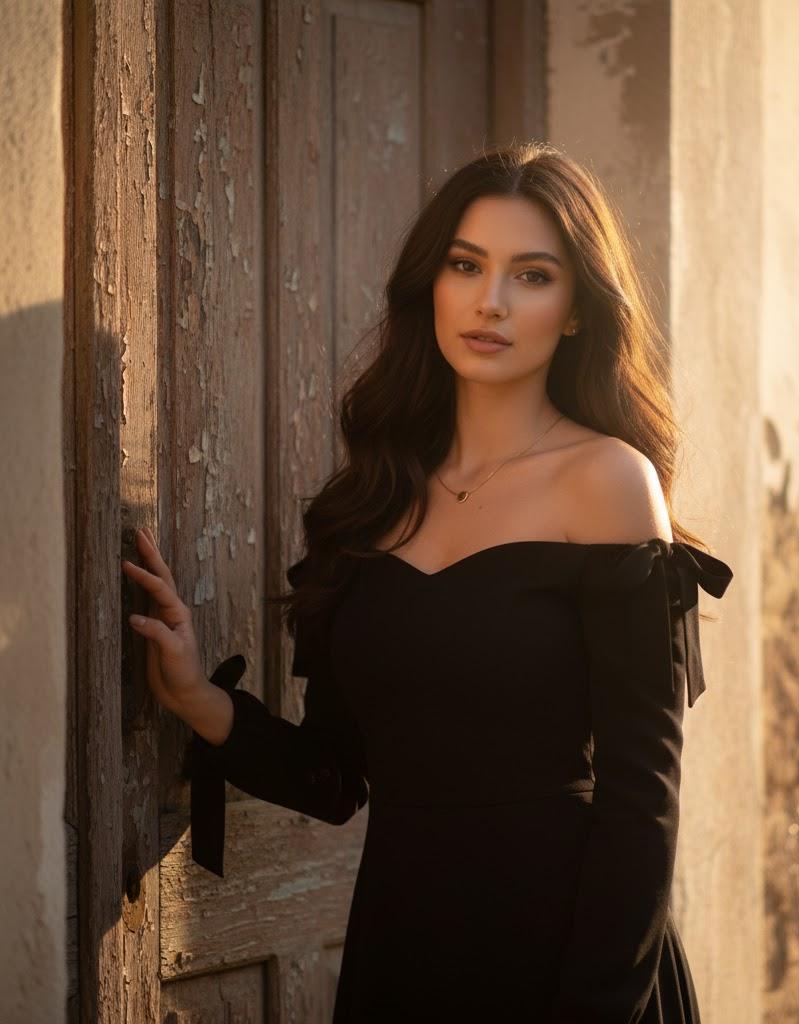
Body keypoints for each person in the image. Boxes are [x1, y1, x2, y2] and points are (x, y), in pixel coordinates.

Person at [122, 141, 733, 1023]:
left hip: (576, 969)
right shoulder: (368, 503)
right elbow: (335, 780)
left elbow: (646, 798)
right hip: (402, 961)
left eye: (531, 275)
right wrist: (196, 698)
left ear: (574, 311)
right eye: (466, 265)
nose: (490, 301)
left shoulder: (605, 482)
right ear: (431, 285)